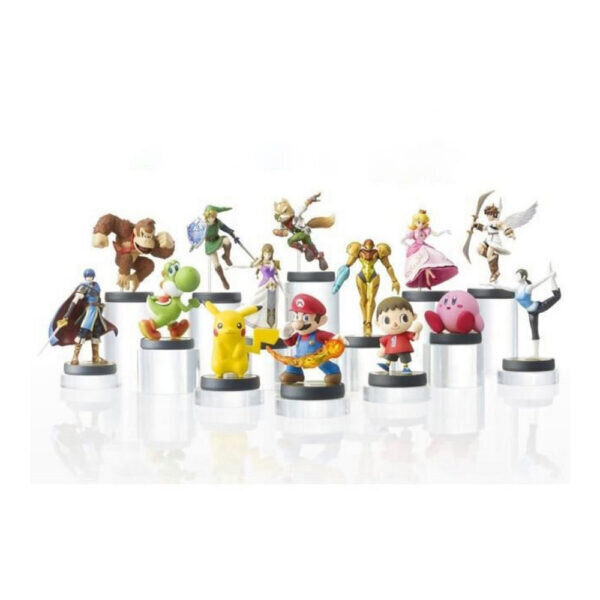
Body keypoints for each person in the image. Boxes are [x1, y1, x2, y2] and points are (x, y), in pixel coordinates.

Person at [49, 268, 117, 365]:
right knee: (82, 334)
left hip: (97, 312)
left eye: (91, 276)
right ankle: (75, 357)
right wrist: (67, 314)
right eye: (87, 276)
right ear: (85, 277)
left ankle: (95, 357)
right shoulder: (83, 287)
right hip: (89, 312)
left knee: (96, 334)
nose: (89, 278)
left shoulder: (96, 285)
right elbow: (75, 300)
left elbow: (98, 298)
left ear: (93, 276)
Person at [280, 294, 342, 385]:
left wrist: (337, 340)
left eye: (306, 318)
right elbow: (290, 343)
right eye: (296, 317)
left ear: (321, 320)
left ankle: (333, 373)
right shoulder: (298, 335)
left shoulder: (318, 334)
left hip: (317, 357)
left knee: (324, 364)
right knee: (292, 362)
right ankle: (295, 373)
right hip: (300, 358)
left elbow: (332, 338)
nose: (298, 323)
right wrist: (285, 334)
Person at [403, 209, 457, 289]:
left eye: (423, 223)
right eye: (419, 222)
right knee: (421, 265)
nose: (421, 225)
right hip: (416, 249)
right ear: (415, 222)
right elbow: (402, 240)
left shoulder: (425, 231)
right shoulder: (413, 232)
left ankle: (428, 281)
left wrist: (444, 231)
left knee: (433, 258)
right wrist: (408, 246)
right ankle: (428, 279)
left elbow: (437, 234)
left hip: (424, 247)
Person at [375, 296, 422, 373]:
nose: (395, 324)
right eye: (387, 321)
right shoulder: (387, 337)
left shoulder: (406, 334)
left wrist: (418, 331)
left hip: (403, 349)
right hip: (391, 350)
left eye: (404, 318)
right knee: (389, 356)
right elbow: (382, 343)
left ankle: (406, 368)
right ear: (377, 323)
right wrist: (382, 350)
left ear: (413, 316)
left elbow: (415, 338)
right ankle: (386, 365)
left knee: (404, 357)